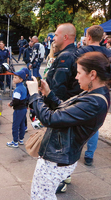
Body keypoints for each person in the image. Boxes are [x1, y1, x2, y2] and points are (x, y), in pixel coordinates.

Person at [27, 51, 110, 199]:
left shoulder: (94, 102)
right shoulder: (93, 94)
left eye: (78, 73)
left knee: (40, 197)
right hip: (60, 157)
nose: (76, 77)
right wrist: (48, 93)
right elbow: (66, 112)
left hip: (56, 160)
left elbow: (51, 119)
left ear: (92, 74)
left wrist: (34, 95)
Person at [74, 25, 111, 167]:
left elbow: (75, 74)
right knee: (93, 126)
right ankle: (89, 155)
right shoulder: (107, 52)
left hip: (83, 90)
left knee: (77, 123)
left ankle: (75, 151)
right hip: (102, 92)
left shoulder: (82, 51)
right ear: (102, 38)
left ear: (88, 37)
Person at [46, 23, 80, 101]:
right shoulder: (74, 53)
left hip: (61, 107)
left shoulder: (66, 56)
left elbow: (58, 88)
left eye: (56, 35)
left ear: (65, 37)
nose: (53, 38)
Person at [6, 69, 27, 148]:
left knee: (15, 126)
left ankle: (15, 142)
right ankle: (21, 139)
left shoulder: (17, 89)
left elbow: (16, 101)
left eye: (15, 77)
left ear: (21, 79)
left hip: (18, 110)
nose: (13, 79)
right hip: (24, 108)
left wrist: (11, 104)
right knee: (22, 124)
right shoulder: (24, 87)